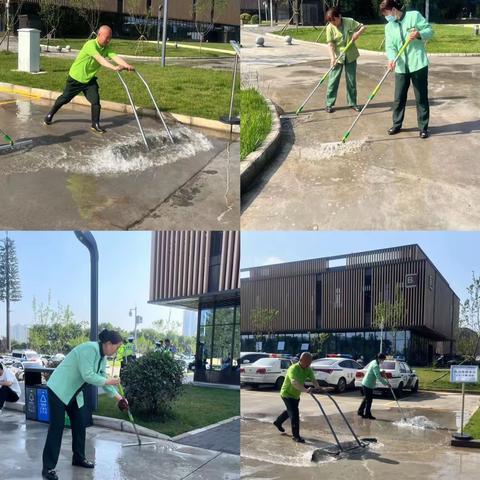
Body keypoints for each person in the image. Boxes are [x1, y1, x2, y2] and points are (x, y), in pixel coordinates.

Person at [41, 329, 129, 480]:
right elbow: (88, 375)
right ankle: (48, 468)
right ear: (108, 344)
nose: (118, 349)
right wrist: (109, 381)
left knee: (80, 424)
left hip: (74, 392)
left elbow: (102, 378)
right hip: (59, 389)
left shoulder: (102, 357)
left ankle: (78, 458)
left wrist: (119, 398)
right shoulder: (90, 349)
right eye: (117, 346)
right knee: (57, 427)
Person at [43, 25, 135, 134]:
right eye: (107, 37)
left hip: (89, 80)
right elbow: (100, 59)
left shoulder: (106, 48)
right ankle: (50, 114)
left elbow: (115, 57)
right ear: (99, 35)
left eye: (110, 37)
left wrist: (127, 65)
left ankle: (95, 124)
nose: (108, 40)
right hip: (76, 78)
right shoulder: (90, 45)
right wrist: (114, 67)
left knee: (95, 101)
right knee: (65, 99)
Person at [380, 0, 433, 139]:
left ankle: (423, 128)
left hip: (418, 64)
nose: (387, 17)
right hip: (401, 67)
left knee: (421, 97)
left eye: (387, 13)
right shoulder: (389, 27)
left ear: (393, 10)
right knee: (399, 98)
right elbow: (390, 46)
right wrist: (391, 59)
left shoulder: (414, 16)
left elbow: (429, 31)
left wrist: (419, 34)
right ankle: (396, 125)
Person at [325, 7, 366, 113]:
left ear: (339, 16)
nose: (333, 23)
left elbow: (363, 27)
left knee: (351, 81)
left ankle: (352, 103)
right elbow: (330, 44)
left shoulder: (349, 21)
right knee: (333, 81)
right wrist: (332, 58)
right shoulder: (330, 27)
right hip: (338, 57)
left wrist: (357, 33)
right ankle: (329, 104)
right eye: (331, 21)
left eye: (334, 20)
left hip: (351, 55)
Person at [273, 352, 321, 442]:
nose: (308, 365)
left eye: (309, 363)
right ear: (301, 360)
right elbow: (294, 382)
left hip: (296, 395)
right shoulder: (293, 368)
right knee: (294, 414)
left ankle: (278, 422)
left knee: (290, 411)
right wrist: (306, 390)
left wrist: (318, 387)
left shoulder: (308, 369)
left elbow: (313, 379)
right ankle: (296, 436)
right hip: (287, 393)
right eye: (306, 362)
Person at [357, 353, 390, 420]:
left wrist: (381, 372)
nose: (383, 361)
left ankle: (360, 411)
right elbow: (378, 376)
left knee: (366, 399)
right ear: (379, 359)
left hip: (367, 383)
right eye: (383, 359)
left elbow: (375, 372)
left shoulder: (374, 362)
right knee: (369, 400)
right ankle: (367, 414)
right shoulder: (375, 365)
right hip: (367, 384)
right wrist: (386, 383)